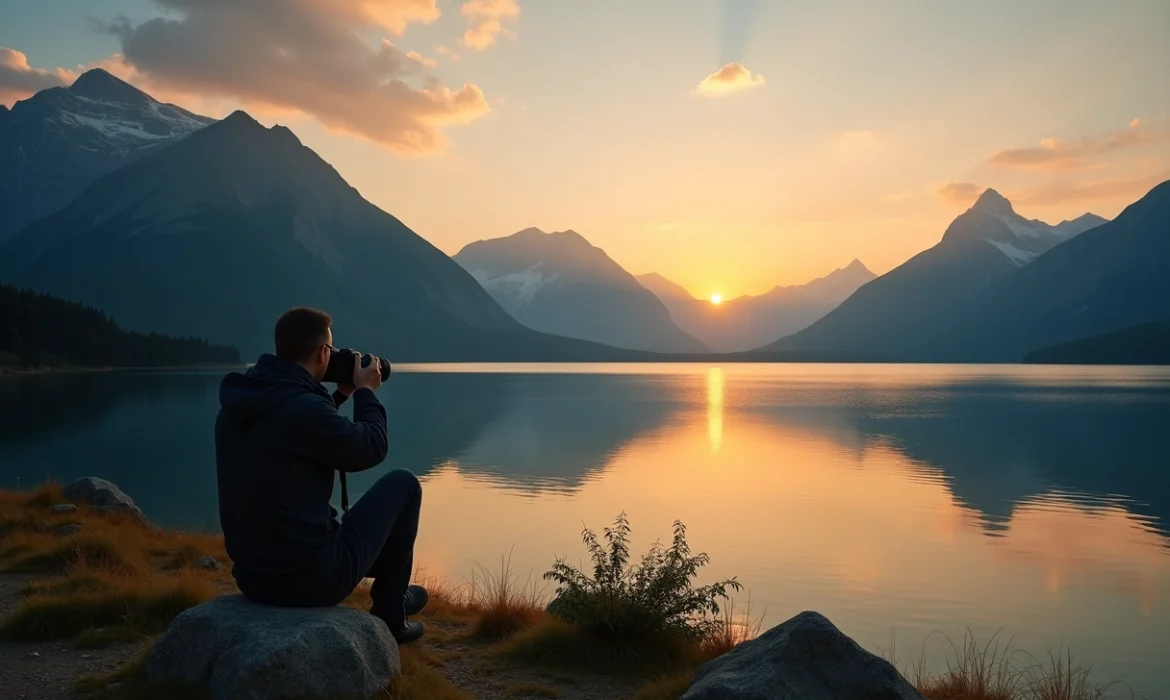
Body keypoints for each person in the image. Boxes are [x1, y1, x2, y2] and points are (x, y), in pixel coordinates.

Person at [214, 307, 426, 644]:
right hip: (311, 581)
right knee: (404, 485)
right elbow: (371, 447)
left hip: (253, 577)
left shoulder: (242, 402)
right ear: (323, 353)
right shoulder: (305, 411)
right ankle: (390, 617)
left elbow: (296, 429)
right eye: (333, 349)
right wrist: (367, 392)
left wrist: (341, 395)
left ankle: (394, 596)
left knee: (348, 525)